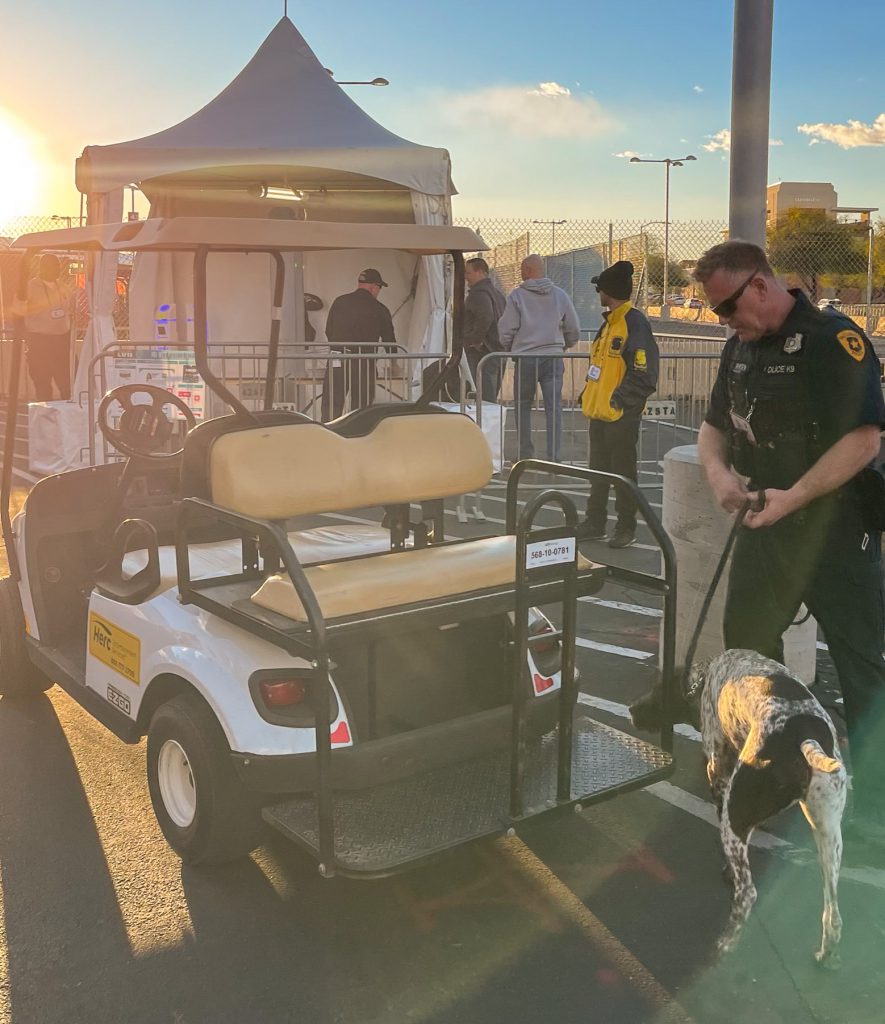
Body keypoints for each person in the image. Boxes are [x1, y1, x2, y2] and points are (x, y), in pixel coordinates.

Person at [694, 239, 885, 852]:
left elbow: (863, 439)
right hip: (766, 529)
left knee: (864, 666)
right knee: (749, 655)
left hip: (834, 533)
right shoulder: (739, 349)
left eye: (726, 307)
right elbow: (713, 428)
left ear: (759, 285)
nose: (723, 321)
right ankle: (765, 772)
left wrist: (795, 497)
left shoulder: (833, 339)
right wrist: (721, 477)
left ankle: (873, 802)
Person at [577, 260, 659, 548]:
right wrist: (588, 394)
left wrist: (618, 401)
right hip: (599, 414)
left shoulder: (633, 323)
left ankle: (626, 527)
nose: (597, 292)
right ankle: (594, 522)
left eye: (600, 288)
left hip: (620, 416)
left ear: (607, 292)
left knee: (624, 476)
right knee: (597, 473)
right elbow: (599, 367)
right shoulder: (609, 324)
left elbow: (644, 375)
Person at [497, 253, 580, 462]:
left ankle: (526, 454)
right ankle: (554, 456)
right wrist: (564, 345)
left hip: (526, 358)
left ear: (527, 271)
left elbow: (506, 329)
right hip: (552, 357)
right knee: (554, 408)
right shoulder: (560, 295)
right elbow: (573, 327)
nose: (520, 273)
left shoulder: (517, 296)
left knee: (523, 406)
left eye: (522, 269)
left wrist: (511, 348)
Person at [321, 269, 396, 420]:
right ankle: (357, 436)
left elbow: (329, 330)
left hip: (337, 359)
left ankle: (327, 434)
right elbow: (389, 340)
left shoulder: (339, 302)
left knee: (332, 405)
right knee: (361, 408)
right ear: (374, 287)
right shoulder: (379, 309)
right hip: (364, 363)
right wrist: (394, 363)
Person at [23, 253, 73, 401]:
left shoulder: (62, 286)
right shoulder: (31, 287)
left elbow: (70, 307)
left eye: (58, 266)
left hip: (62, 342)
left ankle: (67, 418)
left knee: (67, 384)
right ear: (42, 267)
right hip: (40, 342)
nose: (57, 269)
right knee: (43, 384)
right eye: (53, 266)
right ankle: (45, 419)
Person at [462, 257, 506, 402]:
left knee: (484, 397)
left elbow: (486, 317)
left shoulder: (478, 294)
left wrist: (475, 340)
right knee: (490, 395)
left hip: (482, 352)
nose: (466, 277)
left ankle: (484, 424)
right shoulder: (497, 294)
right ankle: (491, 422)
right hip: (497, 350)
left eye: (468, 273)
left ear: (480, 272)